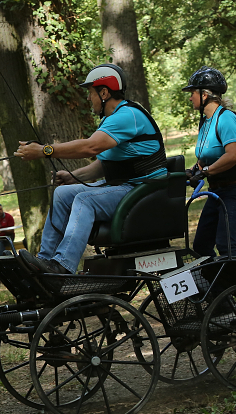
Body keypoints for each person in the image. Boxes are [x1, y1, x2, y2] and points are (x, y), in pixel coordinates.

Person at [14, 63, 167, 275]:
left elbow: (90, 147)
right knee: (62, 193)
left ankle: (63, 266)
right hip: (127, 186)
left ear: (104, 92)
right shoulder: (112, 119)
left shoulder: (126, 116)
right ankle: (45, 261)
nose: (88, 98)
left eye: (91, 92)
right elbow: (104, 165)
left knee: (85, 200)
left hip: (144, 190)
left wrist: (44, 150)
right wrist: (73, 177)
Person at [182, 66, 236, 260]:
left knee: (226, 246)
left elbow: (232, 155)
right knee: (201, 245)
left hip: (235, 190)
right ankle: (216, 288)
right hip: (217, 191)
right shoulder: (206, 122)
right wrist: (195, 169)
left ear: (205, 95)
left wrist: (206, 172)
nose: (190, 97)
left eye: (192, 93)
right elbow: (206, 155)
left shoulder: (226, 118)